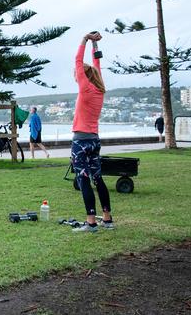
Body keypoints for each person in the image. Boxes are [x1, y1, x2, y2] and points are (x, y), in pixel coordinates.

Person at [70, 31, 114, 233]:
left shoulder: (86, 89)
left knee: (83, 178)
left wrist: (85, 39)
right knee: (98, 178)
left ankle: (91, 222)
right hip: (95, 141)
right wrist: (95, 45)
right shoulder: (99, 89)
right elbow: (97, 66)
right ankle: (107, 219)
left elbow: (79, 61)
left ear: (83, 77)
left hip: (81, 141)